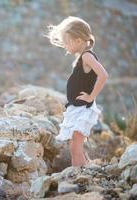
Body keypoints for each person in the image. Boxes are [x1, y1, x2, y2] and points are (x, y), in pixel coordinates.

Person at [45, 16, 108, 167]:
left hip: (83, 109)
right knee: (75, 145)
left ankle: (78, 173)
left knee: (75, 146)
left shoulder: (87, 56)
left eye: (67, 42)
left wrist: (91, 96)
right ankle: (84, 170)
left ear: (79, 40)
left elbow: (103, 75)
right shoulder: (82, 57)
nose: (65, 46)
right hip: (76, 107)